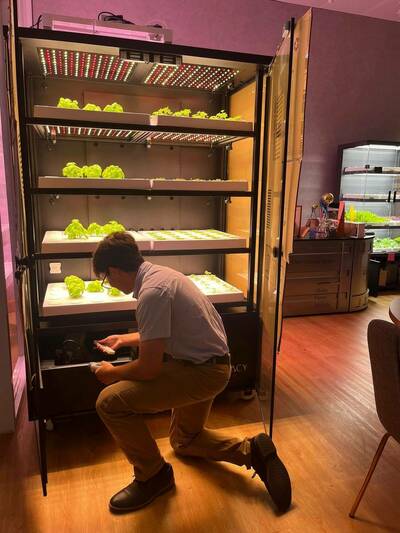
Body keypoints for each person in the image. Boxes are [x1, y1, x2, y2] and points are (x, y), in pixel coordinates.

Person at [92, 232, 292, 514]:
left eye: (105, 278)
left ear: (113, 270)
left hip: (199, 372)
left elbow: (148, 369)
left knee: (109, 402)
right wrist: (124, 340)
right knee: (184, 441)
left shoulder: (151, 294)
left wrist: (113, 373)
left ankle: (153, 476)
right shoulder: (161, 276)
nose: (108, 284)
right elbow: (163, 330)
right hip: (212, 364)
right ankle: (253, 451)